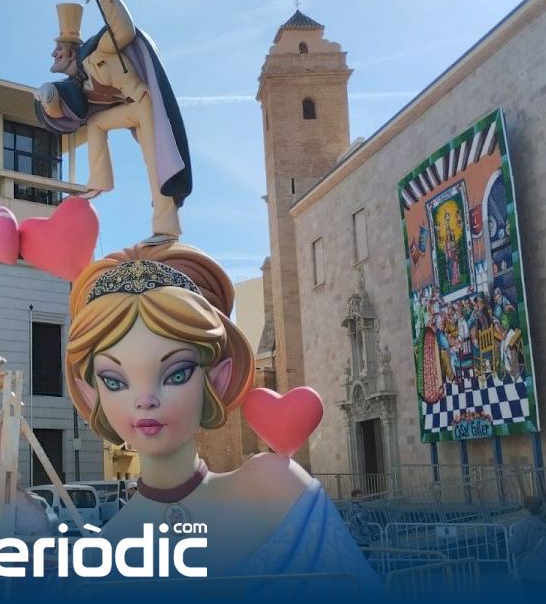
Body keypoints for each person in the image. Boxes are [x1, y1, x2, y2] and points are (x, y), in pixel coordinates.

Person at [65, 242, 381, 598]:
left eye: (176, 374)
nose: (145, 400)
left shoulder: (274, 488)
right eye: (115, 381)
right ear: (91, 394)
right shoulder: (99, 558)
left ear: (216, 379)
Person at [35, 0, 191, 246]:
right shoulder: (78, 85)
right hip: (132, 112)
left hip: (145, 103)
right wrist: (48, 98)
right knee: (96, 122)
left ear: (71, 52)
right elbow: (66, 110)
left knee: (158, 163)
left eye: (58, 49)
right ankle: (100, 181)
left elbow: (124, 29)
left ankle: (166, 227)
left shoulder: (100, 52)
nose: (53, 53)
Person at [509, 496, 546, 600]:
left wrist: (510, 540)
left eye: (521, 508)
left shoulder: (522, 526)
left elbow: (515, 548)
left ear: (527, 510)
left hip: (532, 574)